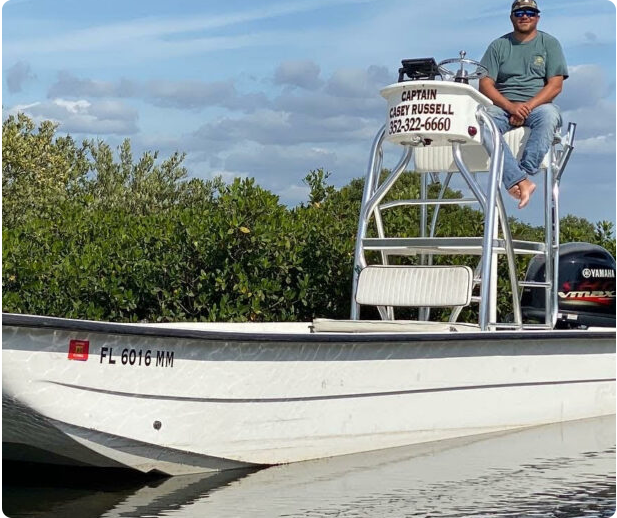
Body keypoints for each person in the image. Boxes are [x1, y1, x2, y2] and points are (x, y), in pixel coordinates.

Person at [479, 0, 568, 209]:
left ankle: (522, 174)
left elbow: (555, 86)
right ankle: (521, 182)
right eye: (519, 13)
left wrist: (527, 107)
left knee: (549, 117)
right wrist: (511, 107)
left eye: (530, 12)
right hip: (502, 106)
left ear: (537, 16)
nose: (525, 16)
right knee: (483, 125)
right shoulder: (498, 46)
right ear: (512, 17)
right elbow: (485, 84)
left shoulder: (550, 44)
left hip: (538, 106)